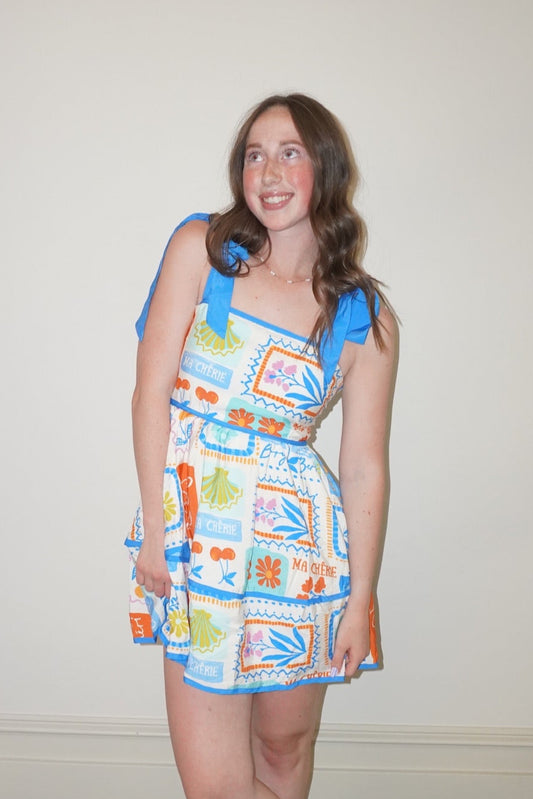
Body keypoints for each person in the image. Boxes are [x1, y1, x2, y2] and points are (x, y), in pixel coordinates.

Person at [125, 93, 397, 799]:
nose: (267, 172)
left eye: (289, 153)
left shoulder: (362, 315)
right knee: (217, 786)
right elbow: (150, 394)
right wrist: (155, 530)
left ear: (325, 168)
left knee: (282, 750)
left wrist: (358, 600)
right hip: (200, 545)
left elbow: (364, 466)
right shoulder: (203, 250)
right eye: (254, 155)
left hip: (302, 555)